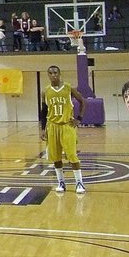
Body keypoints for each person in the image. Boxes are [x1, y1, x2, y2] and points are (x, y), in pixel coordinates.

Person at [39, 65, 87, 194]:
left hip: (67, 125)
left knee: (72, 155)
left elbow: (83, 101)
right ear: (48, 75)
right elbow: (44, 111)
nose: (53, 75)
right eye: (50, 73)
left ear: (59, 74)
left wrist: (79, 118)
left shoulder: (68, 88)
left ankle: (79, 183)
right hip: (52, 126)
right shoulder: (45, 91)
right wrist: (43, 129)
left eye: (55, 72)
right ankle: (61, 182)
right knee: (56, 157)